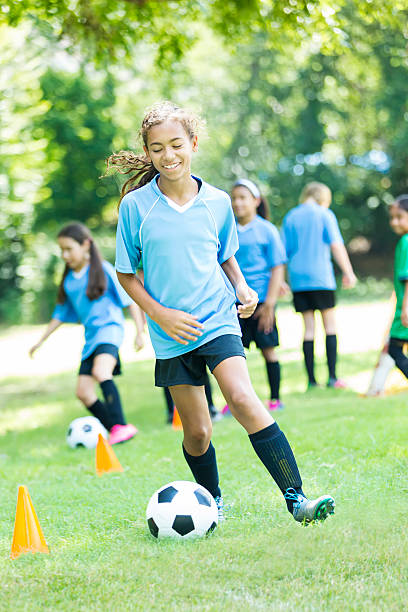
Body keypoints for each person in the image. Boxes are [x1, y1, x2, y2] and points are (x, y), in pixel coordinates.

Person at [111, 101, 335, 524]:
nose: (168, 156)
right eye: (157, 149)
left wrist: (242, 287)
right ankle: (211, 501)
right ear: (148, 152)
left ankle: (297, 499)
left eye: (176, 145)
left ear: (193, 144)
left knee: (242, 397)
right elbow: (126, 276)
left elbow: (226, 255)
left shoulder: (216, 202)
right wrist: (161, 315)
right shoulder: (136, 208)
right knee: (197, 432)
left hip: (217, 317)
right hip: (170, 333)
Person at [29, 222, 140, 445]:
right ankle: (117, 430)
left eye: (69, 249)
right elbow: (60, 314)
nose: (64, 255)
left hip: (110, 331)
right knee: (83, 392)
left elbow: (129, 300)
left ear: (86, 245)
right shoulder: (69, 281)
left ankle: (119, 426)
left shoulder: (104, 270)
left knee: (102, 371)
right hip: (91, 339)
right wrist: (40, 341)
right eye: (61, 250)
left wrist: (140, 331)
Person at [282, 182, 357, 389]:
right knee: (330, 326)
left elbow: (283, 253)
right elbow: (336, 245)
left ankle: (312, 381)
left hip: (298, 280)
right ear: (322, 197)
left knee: (308, 329)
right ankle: (333, 377)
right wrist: (348, 272)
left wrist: (281, 280)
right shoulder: (325, 215)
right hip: (321, 277)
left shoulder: (290, 216)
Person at [229, 178, 287, 411]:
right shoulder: (227, 229)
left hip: (262, 302)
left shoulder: (267, 230)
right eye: (234, 198)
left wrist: (270, 305)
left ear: (256, 201)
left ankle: (275, 398)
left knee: (268, 350)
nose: (237, 203)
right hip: (233, 304)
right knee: (233, 356)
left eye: (243, 198)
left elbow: (278, 267)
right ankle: (239, 402)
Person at [386, 195, 408, 380]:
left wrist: (406, 308)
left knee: (394, 348)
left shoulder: (406, 241)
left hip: (406, 309)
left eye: (399, 216)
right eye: (392, 217)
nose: (394, 222)